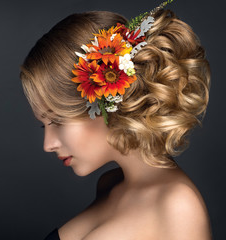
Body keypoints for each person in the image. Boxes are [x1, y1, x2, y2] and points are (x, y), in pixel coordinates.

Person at [20, 1, 211, 239]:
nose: (48, 145)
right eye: (43, 124)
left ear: (106, 101)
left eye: (57, 121)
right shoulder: (110, 184)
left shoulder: (177, 206)